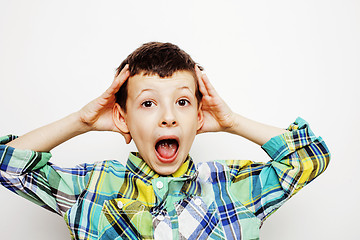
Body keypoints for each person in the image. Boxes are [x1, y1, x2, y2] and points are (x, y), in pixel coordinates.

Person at [0, 42, 330, 240]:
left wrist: (232, 122)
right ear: (122, 117)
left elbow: (309, 157)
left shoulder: (232, 187)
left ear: (199, 116)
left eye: (183, 102)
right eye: (147, 103)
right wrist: (82, 121)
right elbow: (7, 163)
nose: (168, 117)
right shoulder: (90, 186)